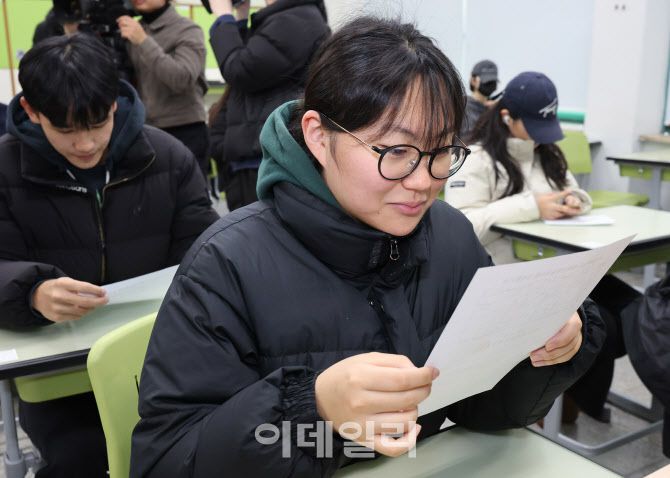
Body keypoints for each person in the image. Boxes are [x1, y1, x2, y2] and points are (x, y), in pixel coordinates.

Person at [131, 18, 605, 477]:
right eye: (396, 152)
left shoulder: (450, 236)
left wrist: (539, 348)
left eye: (442, 152)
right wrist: (315, 413)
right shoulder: (226, 265)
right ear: (319, 137)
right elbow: (168, 460)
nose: (424, 182)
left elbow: (478, 407)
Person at [0, 34, 219, 477]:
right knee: (83, 458)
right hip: (59, 377)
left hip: (164, 358)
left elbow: (210, 253)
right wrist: (32, 292)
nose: (85, 144)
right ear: (31, 111)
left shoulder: (167, 158)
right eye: (65, 130)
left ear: (115, 103)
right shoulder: (5, 171)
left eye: (97, 123)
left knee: (200, 447)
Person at [447, 71, 592, 265]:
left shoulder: (549, 155)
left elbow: (571, 190)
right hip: (497, 273)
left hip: (550, 267)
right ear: (506, 117)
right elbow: (459, 233)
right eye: (534, 127)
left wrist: (572, 201)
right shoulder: (475, 159)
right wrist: (532, 207)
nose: (540, 137)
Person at [207, 0, 330, 211]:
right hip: (259, 156)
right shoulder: (289, 18)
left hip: (266, 160)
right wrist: (240, 18)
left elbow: (240, 70)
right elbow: (253, 67)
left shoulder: (296, 20)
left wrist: (223, 15)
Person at [117, 0, 210, 178]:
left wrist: (143, 41)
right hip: (144, 131)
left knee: (189, 192)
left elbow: (182, 79)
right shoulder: (130, 30)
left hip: (185, 129)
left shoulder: (187, 29)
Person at [460, 59, 499, 139]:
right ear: (473, 80)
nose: (490, 85)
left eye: (492, 82)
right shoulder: (463, 107)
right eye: (487, 81)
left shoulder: (494, 109)